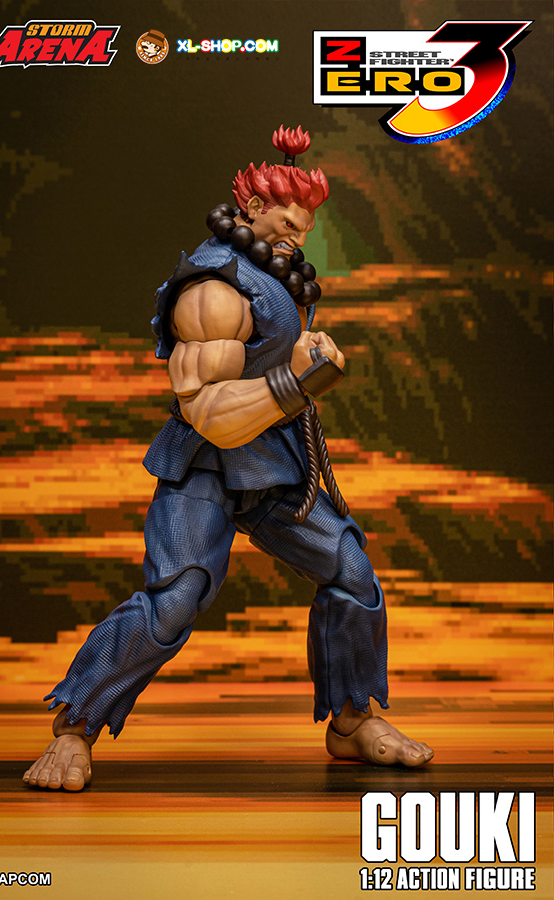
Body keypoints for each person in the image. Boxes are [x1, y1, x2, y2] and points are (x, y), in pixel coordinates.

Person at [23, 126, 433, 791]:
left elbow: (268, 361)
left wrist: (299, 362)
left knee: (352, 572)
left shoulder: (276, 271)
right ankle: (75, 728)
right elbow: (208, 412)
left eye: (306, 223)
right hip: (205, 466)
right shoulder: (211, 290)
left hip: (271, 462)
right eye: (287, 218)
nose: (299, 231)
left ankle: (353, 720)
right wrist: (297, 383)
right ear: (252, 207)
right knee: (175, 599)